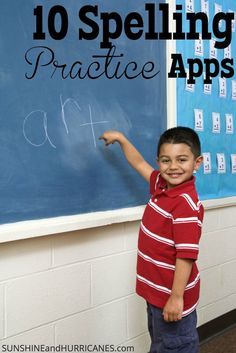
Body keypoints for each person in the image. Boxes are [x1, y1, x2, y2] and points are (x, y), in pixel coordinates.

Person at [99, 127, 204, 353]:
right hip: (157, 294)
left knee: (175, 346)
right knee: (161, 343)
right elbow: (139, 163)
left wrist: (176, 297)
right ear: (159, 162)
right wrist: (121, 139)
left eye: (182, 160)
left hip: (172, 296)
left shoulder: (185, 204)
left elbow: (186, 256)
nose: (173, 167)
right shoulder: (161, 186)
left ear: (197, 163)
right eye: (166, 160)